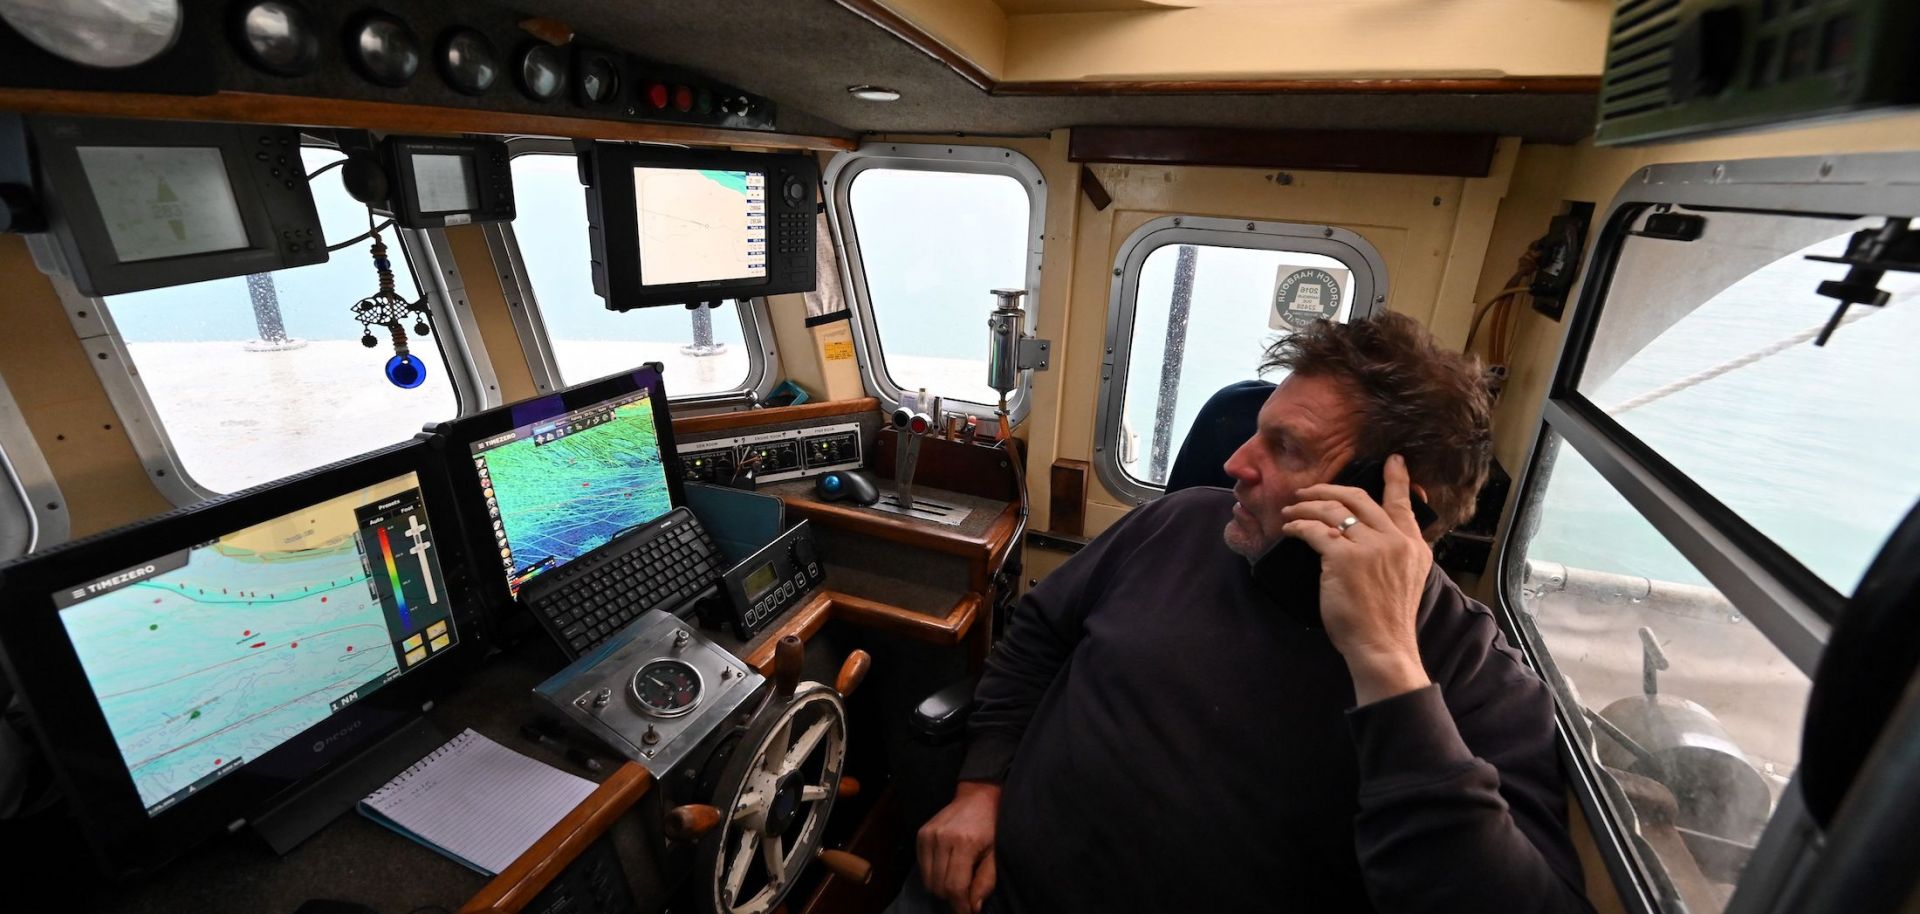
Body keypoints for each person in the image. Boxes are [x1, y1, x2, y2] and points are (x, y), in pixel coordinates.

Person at [894, 313, 1592, 914]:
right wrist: (980, 786)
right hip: (987, 894)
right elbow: (1039, 635)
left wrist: (1388, 668)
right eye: (1259, 433)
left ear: (1388, 499)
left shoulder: (1472, 674)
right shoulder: (1178, 523)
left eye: (1285, 448)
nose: (1233, 463)